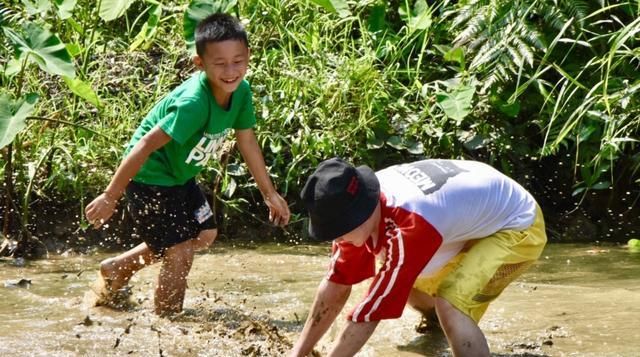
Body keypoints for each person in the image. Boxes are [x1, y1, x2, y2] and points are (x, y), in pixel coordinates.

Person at [84, 13, 290, 316]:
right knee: (179, 252)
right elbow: (144, 144)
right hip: (150, 178)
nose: (231, 71)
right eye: (220, 64)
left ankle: (118, 267)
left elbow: (247, 141)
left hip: (180, 178)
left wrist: (269, 193)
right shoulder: (194, 103)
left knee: (203, 234)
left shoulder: (241, 92)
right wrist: (110, 196)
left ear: (248, 57)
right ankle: (168, 322)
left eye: (238, 61)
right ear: (200, 64)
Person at [290, 157, 547, 356]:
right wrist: (296, 353)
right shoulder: (356, 205)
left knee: (451, 304)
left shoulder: (410, 225)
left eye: (339, 230)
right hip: (466, 216)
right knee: (405, 280)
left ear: (360, 214)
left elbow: (372, 311)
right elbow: (337, 284)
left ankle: (453, 328)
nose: (336, 238)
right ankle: (437, 328)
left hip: (517, 224)